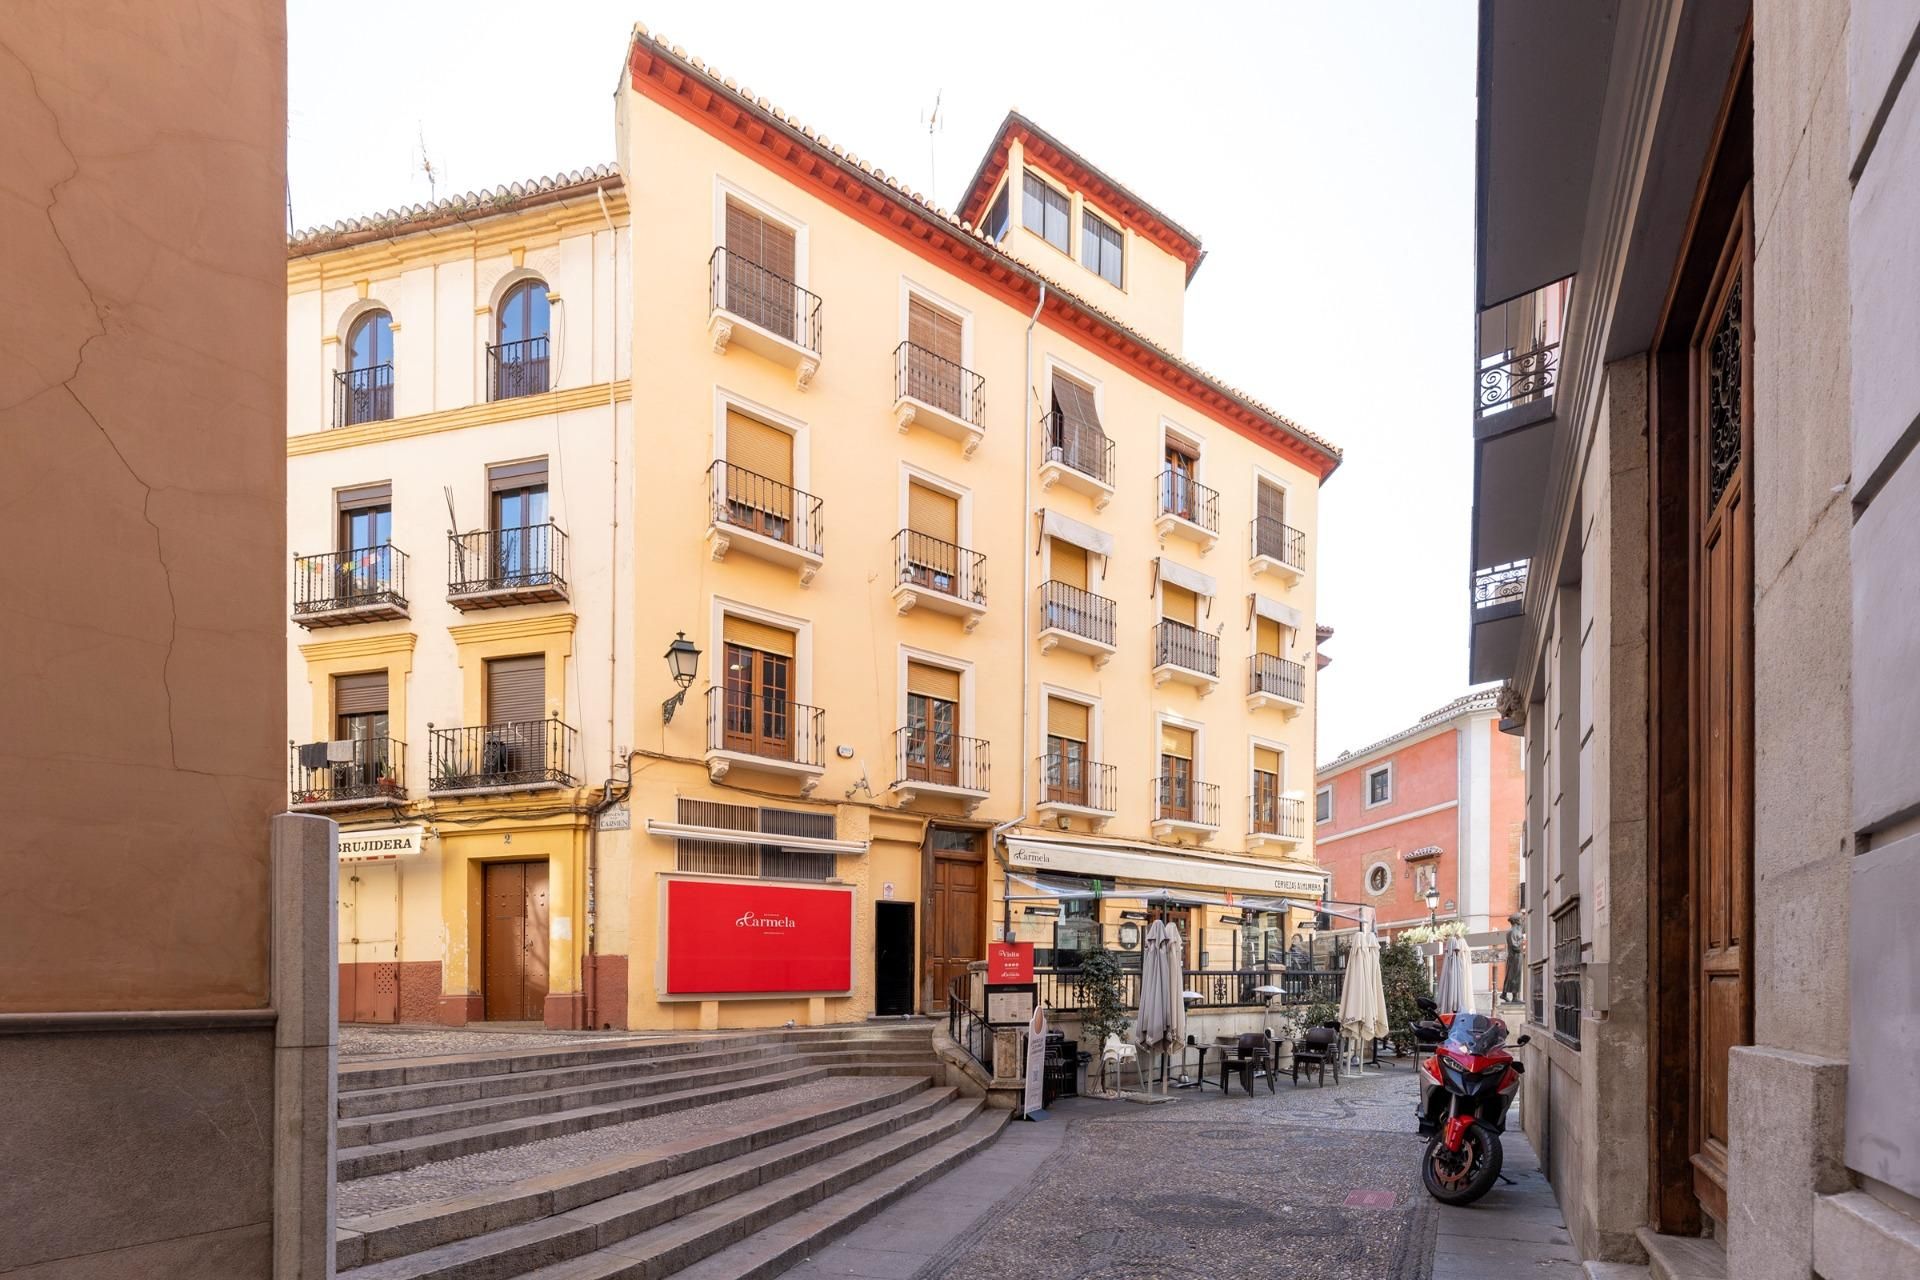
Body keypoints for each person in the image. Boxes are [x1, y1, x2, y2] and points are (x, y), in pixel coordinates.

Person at [1500, 913, 1525, 1004]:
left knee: (1511, 976)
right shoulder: (1514, 931)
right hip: (1515, 956)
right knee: (1515, 976)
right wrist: (1522, 943)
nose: (1521, 921)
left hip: (1515, 956)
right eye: (1520, 919)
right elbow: (1515, 946)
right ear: (1516, 921)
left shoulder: (1515, 931)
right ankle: (1514, 997)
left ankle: (1504, 994)